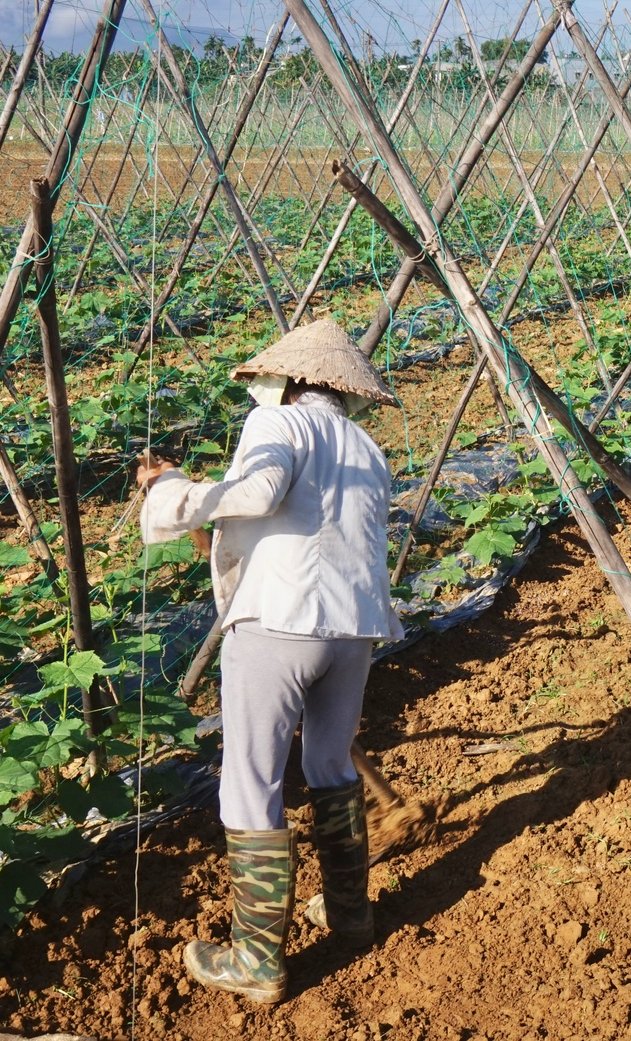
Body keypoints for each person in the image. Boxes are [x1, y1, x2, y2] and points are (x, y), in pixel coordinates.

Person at [136, 318, 401, 1003]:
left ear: (289, 379)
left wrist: (169, 492)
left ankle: (257, 960)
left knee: (250, 782)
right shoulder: (367, 447)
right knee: (331, 766)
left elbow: (256, 494)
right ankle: (350, 914)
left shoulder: (279, 426)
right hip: (355, 628)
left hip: (280, 621)